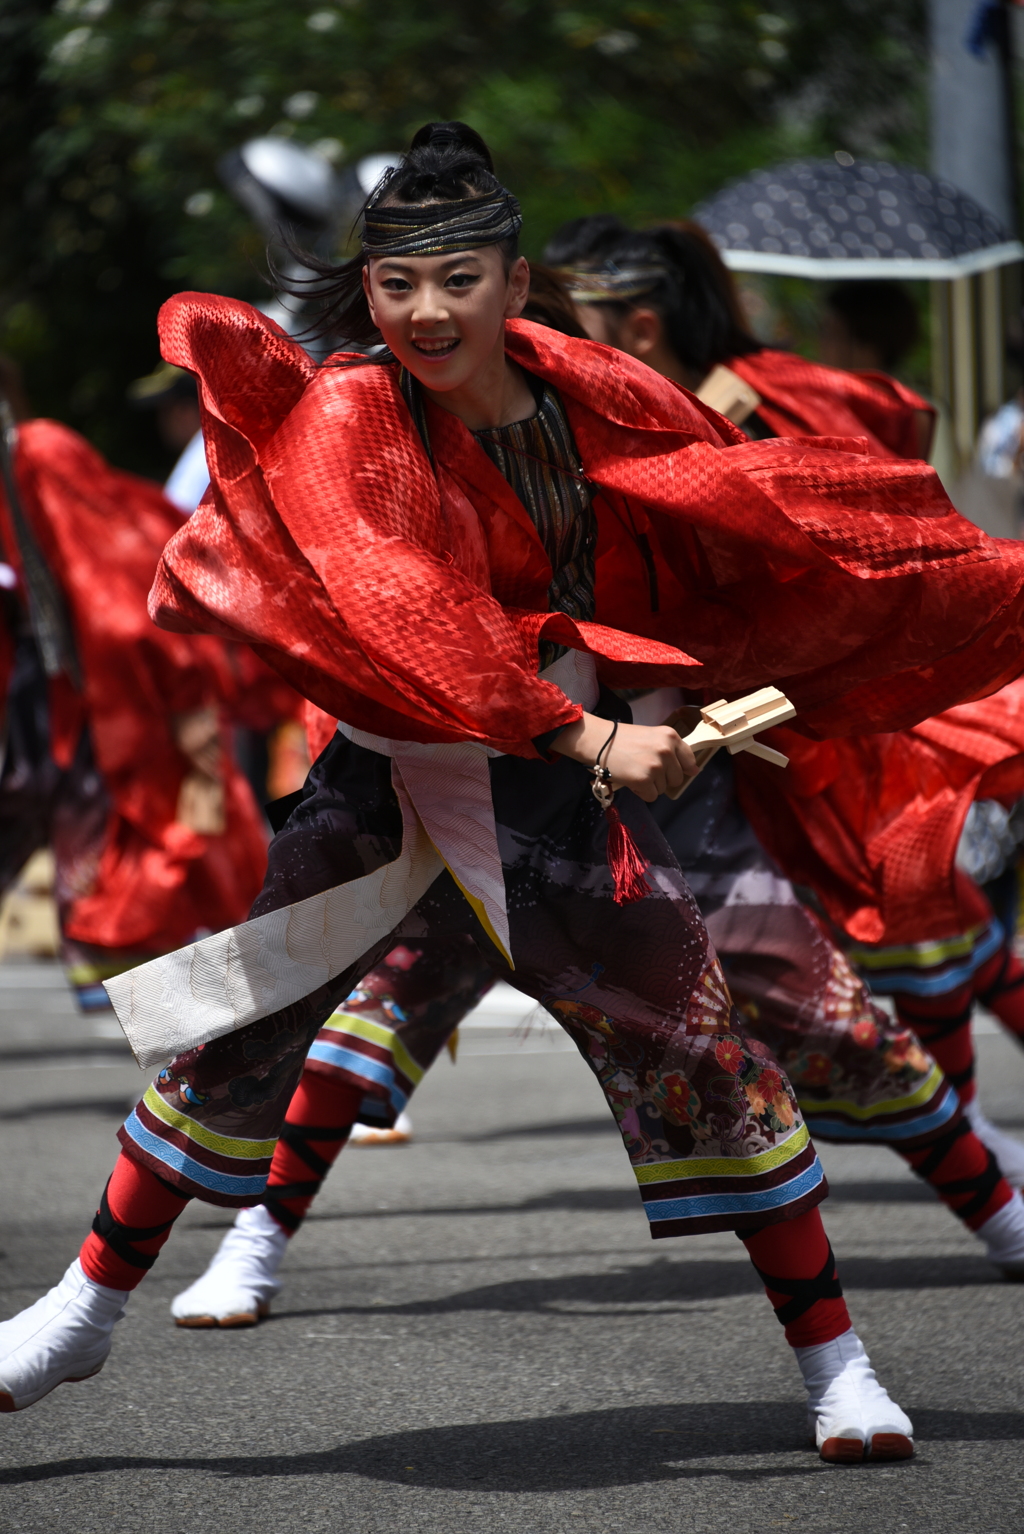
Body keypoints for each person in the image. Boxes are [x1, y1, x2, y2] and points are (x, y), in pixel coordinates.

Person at [7, 125, 1024, 1465]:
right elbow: (407, 607)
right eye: (397, 286)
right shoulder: (351, 410)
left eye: (459, 281)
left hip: (560, 802)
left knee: (705, 1047)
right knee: (235, 1034)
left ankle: (841, 1368)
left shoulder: (591, 383)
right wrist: (591, 734)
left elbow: (713, 512)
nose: (426, 313)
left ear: (516, 284)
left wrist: (718, 672)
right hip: (392, 784)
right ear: (366, 293)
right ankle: (86, 1307)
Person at [169, 240, 1024, 1334]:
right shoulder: (439, 421)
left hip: (672, 792)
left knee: (822, 1009)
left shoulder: (684, 425)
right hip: (489, 786)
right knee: (374, 1009)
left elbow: (796, 559)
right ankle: (257, 1240)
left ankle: (990, 1220)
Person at [552, 217, 1024, 1187]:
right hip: (750, 719)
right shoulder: (656, 410)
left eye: (575, 321)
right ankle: (965, 1142)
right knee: (931, 921)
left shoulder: (741, 400)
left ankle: (967, 1138)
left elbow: (850, 518)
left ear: (636, 327)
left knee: (919, 909)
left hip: (827, 700)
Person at [0, 373, 268, 1009]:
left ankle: (240, 1038)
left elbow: (112, 586)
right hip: (63, 688)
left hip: (112, 685)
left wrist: (180, 692)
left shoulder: (37, 451)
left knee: (167, 848)